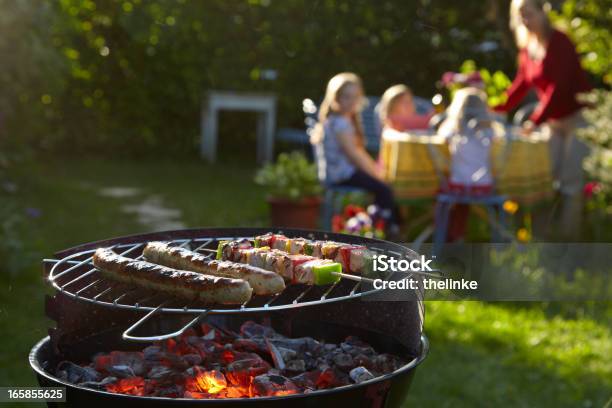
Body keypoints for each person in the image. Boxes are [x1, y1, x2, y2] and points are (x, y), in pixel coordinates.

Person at [494, 0, 592, 238]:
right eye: (521, 15)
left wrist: (534, 121)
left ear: (542, 12)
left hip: (577, 119)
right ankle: (543, 239)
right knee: (544, 179)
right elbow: (520, 85)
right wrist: (495, 108)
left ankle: (570, 242)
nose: (526, 20)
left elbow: (559, 88)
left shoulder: (559, 42)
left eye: (530, 14)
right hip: (554, 123)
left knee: (571, 184)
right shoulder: (528, 48)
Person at [311, 73, 401, 235]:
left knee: (381, 186)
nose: (351, 102)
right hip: (341, 175)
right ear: (335, 98)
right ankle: (383, 228)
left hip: (339, 173)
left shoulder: (340, 120)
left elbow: (358, 153)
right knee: (384, 189)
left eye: (355, 97)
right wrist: (377, 173)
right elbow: (355, 155)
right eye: (346, 97)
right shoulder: (340, 124)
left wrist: (375, 171)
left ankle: (378, 224)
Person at [437, 88, 497, 242]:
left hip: (458, 186)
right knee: (466, 191)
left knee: (443, 192)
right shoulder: (491, 131)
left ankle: (448, 234)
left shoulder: (452, 130)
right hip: (484, 187)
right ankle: (494, 236)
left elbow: (438, 138)